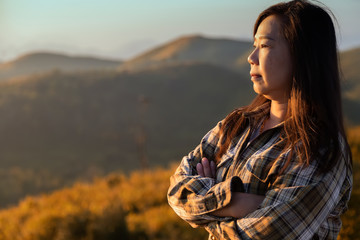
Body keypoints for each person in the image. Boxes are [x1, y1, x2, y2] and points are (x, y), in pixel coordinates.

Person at [167, 0, 353, 239]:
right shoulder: (237, 125)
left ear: (303, 54)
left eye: (265, 45)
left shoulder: (319, 149)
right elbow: (176, 190)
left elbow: (267, 235)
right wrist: (239, 201)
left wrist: (207, 206)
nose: (251, 57)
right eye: (254, 45)